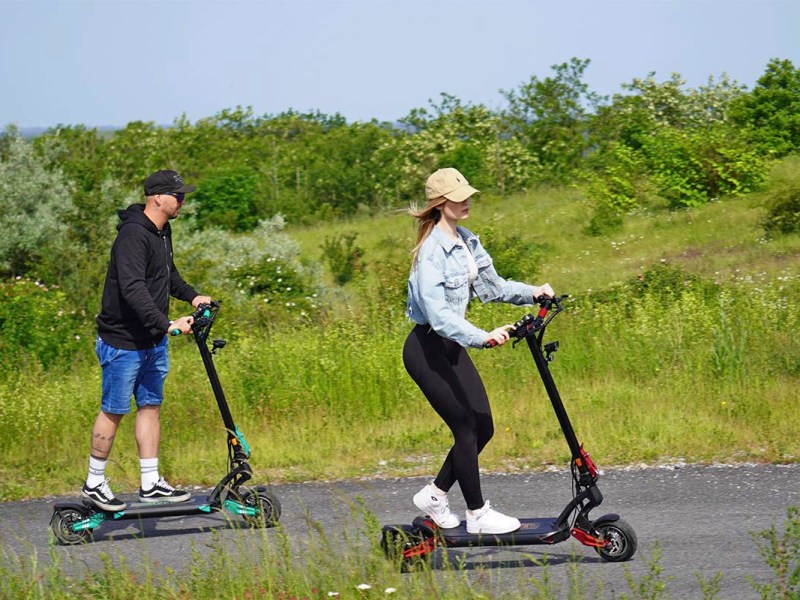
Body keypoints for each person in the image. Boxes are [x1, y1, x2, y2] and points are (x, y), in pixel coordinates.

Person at [404, 167, 554, 535]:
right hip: (427, 348)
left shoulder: (467, 241)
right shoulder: (430, 253)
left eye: (467, 194)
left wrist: (534, 291)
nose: (466, 200)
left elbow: (494, 287)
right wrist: (481, 336)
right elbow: (438, 315)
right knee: (466, 427)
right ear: (441, 203)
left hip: (451, 345)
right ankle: (477, 514)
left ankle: (435, 495)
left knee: (482, 426)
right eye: (458, 196)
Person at [81, 169, 212, 511]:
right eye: (178, 196)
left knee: (150, 407)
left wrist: (193, 297)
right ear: (158, 197)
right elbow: (133, 289)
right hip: (123, 341)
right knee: (114, 410)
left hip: (153, 339)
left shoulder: (162, 231)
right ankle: (94, 482)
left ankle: (150, 482)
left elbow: (168, 276)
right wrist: (168, 324)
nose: (183, 201)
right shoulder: (132, 237)